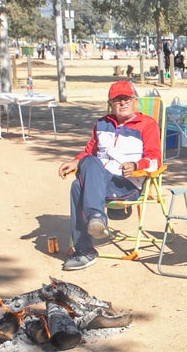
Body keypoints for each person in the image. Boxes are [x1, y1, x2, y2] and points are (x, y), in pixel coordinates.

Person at [56, 80, 161, 271]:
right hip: (100, 180)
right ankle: (95, 219)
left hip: (126, 183)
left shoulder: (147, 125)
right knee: (86, 167)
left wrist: (137, 165)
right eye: (117, 100)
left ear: (135, 100)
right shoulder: (102, 124)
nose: (122, 103)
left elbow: (155, 160)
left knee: (78, 186)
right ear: (110, 103)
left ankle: (84, 250)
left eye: (126, 99)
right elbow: (89, 151)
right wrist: (74, 161)